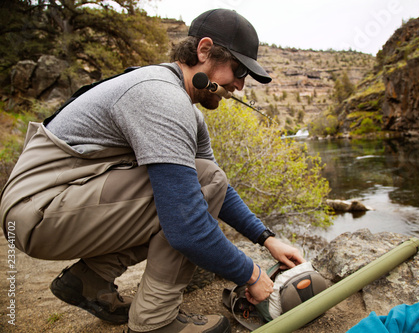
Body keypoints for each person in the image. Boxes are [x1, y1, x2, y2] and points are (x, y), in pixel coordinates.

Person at [0, 8, 305, 333]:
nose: (240, 87)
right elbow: (188, 226)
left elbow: (218, 190)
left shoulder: (176, 100)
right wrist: (252, 275)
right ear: (204, 51)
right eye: (239, 70)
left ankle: (89, 281)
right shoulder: (162, 98)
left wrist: (266, 238)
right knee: (187, 204)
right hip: (38, 212)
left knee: (202, 181)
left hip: (46, 205)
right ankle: (155, 322)